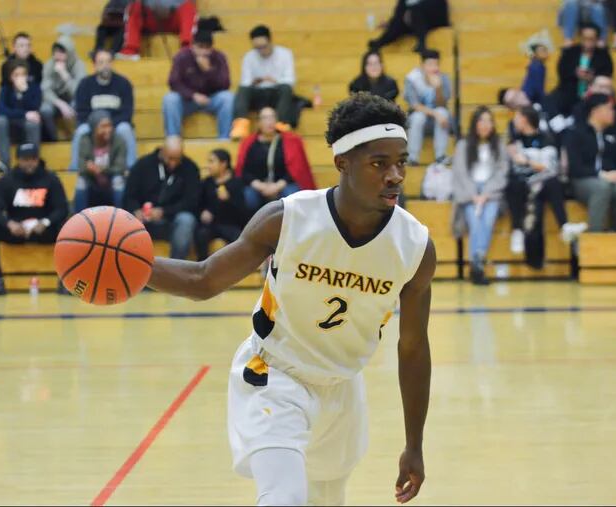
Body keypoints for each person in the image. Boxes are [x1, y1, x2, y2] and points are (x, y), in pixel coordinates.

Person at [147, 92, 434, 506]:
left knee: (325, 500)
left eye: (401, 163)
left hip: (342, 388)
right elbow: (203, 279)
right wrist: (133, 264)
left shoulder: (415, 246)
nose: (395, 176)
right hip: (274, 374)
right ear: (343, 163)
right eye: (379, 164)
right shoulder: (287, 219)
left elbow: (413, 348)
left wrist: (414, 444)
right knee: (283, 497)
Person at [0, 143, 68, 297]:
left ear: (38, 159)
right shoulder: (7, 180)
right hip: (16, 230)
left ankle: (65, 280)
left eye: (33, 159)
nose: (29, 163)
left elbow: (62, 208)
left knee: (66, 229)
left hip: (43, 230)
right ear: (18, 160)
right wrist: (9, 224)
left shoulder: (51, 179)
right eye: (25, 159)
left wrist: (45, 222)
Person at [506, 106, 587, 264]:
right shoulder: (514, 142)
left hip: (542, 182)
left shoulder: (546, 139)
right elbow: (514, 166)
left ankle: (564, 226)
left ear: (525, 119)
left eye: (517, 117)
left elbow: (549, 168)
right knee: (514, 184)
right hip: (522, 184)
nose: (514, 121)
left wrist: (527, 162)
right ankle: (517, 230)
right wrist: (527, 162)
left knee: (553, 182)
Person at [450, 107, 507, 285]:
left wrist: (486, 194)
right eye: (481, 120)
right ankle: (478, 264)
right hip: (469, 191)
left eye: (489, 121)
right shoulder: (463, 145)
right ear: (475, 123)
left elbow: (501, 172)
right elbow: (460, 173)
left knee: (488, 220)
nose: (485, 125)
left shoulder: (499, 145)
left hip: (491, 192)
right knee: (475, 222)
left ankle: (476, 264)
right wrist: (474, 194)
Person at [566, 93, 616, 232]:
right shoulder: (576, 133)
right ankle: (595, 235)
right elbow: (575, 167)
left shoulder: (612, 135)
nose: (613, 112)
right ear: (595, 111)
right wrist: (601, 175)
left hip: (608, 179)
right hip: (582, 180)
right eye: (609, 108)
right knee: (602, 187)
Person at [123, 136, 199, 260]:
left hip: (172, 220)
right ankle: (133, 264)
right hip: (144, 220)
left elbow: (191, 202)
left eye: (177, 159)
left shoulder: (190, 168)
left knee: (186, 220)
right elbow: (129, 195)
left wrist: (164, 212)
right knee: (127, 219)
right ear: (162, 151)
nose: (173, 163)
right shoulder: (143, 165)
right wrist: (136, 210)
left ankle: (175, 267)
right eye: (170, 158)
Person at [235, 107, 316, 215]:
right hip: (257, 185)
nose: (269, 121)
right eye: (265, 118)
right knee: (249, 199)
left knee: (292, 197)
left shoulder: (291, 141)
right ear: (258, 122)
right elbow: (244, 171)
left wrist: (277, 186)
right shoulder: (249, 143)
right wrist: (260, 185)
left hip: (283, 184)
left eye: (272, 117)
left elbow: (297, 169)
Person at [71, 49, 136, 171]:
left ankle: (132, 168)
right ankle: (75, 169)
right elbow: (81, 113)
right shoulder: (85, 84)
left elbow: (127, 112)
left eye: (108, 62)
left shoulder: (123, 83)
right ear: (94, 65)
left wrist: (108, 125)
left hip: (116, 124)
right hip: (92, 126)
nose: (105, 66)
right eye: (101, 62)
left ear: (112, 63)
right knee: (81, 131)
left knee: (125, 129)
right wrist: (98, 126)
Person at [163, 30, 234, 139]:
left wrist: (208, 71)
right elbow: (173, 82)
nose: (204, 52)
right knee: (170, 99)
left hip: (211, 99)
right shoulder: (182, 56)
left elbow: (225, 84)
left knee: (228, 98)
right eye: (200, 47)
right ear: (193, 46)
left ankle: (225, 138)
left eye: (207, 48)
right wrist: (193, 95)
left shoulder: (219, 57)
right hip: (187, 100)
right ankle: (173, 138)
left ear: (212, 47)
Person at [230, 25, 296, 139]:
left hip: (276, 92)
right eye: (257, 48)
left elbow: (290, 80)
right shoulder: (249, 57)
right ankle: (241, 124)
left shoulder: (285, 54)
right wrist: (254, 82)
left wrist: (275, 81)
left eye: (264, 46)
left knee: (286, 88)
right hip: (258, 93)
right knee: (243, 89)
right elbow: (245, 82)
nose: (261, 50)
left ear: (270, 41)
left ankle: (281, 124)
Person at [195, 149, 247, 261]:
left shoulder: (236, 183)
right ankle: (201, 266)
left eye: (212, 162)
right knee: (201, 234)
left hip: (231, 225)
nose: (208, 166)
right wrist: (203, 212)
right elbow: (198, 205)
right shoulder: (207, 182)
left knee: (239, 238)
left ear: (223, 164)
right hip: (211, 225)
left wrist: (228, 200)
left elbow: (243, 212)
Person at [554, 22, 613, 117]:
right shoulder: (570, 52)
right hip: (569, 95)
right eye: (585, 38)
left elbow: (607, 74)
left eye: (591, 39)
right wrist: (575, 73)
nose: (587, 42)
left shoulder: (603, 55)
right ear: (580, 38)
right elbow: (562, 71)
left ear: (597, 39)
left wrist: (593, 78)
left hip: (594, 97)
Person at [404, 49, 452, 165]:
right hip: (418, 117)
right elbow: (415, 105)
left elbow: (442, 104)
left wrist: (438, 88)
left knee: (443, 112)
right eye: (430, 64)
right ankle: (412, 157)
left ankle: (441, 156)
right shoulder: (412, 79)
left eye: (436, 64)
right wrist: (436, 114)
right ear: (422, 65)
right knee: (418, 117)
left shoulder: (444, 78)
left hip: (436, 120)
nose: (433, 68)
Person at [0, 61, 42, 172]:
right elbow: (1, 109)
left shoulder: (34, 88)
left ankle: (33, 161)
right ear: (11, 77)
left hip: (26, 124)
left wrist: (25, 92)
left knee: (33, 123)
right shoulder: (5, 89)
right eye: (16, 75)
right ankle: (5, 163)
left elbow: (35, 107)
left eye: (23, 74)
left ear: (27, 76)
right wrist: (24, 114)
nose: (20, 78)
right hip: (10, 124)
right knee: (0, 121)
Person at [74, 110, 127, 211]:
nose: (108, 130)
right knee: (81, 181)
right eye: (103, 126)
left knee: (118, 180)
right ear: (94, 128)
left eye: (109, 125)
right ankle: (79, 217)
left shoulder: (118, 140)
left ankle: (121, 215)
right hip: (92, 182)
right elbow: (81, 166)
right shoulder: (85, 140)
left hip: (111, 181)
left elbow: (120, 168)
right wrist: (89, 169)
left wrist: (101, 169)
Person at [40, 36, 87, 142]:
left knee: (77, 104)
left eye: (62, 53)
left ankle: (78, 138)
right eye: (56, 52)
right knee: (45, 109)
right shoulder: (49, 65)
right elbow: (45, 90)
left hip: (72, 99)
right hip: (55, 101)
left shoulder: (79, 66)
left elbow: (80, 93)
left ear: (69, 53)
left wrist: (65, 75)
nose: (58, 56)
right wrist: (60, 104)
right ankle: (53, 139)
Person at [117, 0, 198, 60]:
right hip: (151, 19)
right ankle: (130, 50)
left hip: (174, 19)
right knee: (134, 6)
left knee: (188, 7)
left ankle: (187, 49)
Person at [368, 0, 450, 53]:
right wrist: (389, 23)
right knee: (397, 23)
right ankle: (380, 43)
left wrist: (411, 11)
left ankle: (421, 44)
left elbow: (440, 5)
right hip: (413, 22)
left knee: (415, 10)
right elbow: (399, 13)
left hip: (435, 19)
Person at [521, 33, 552, 107]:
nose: (545, 53)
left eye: (545, 50)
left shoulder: (538, 65)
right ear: (535, 54)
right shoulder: (536, 67)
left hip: (530, 98)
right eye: (542, 51)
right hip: (529, 100)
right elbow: (538, 89)